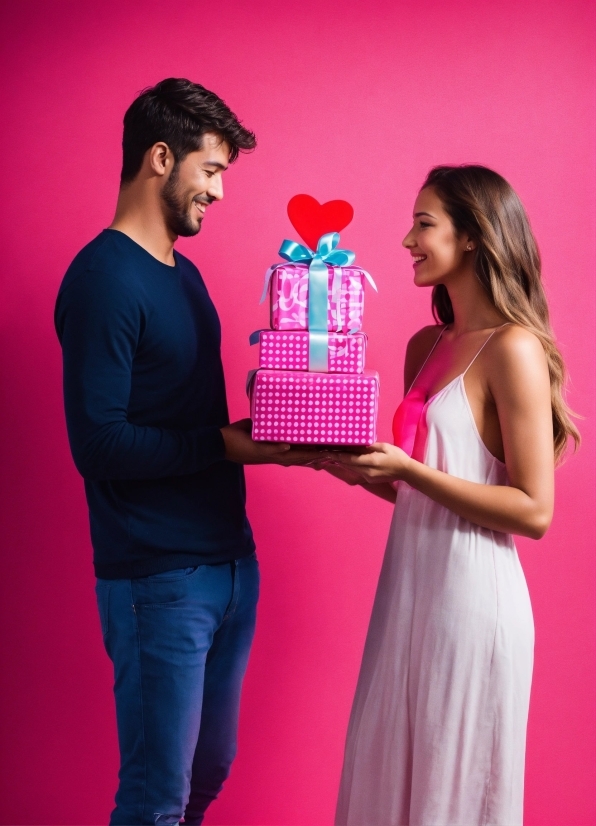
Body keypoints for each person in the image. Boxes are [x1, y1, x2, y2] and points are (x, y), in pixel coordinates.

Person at [54, 78, 315, 826]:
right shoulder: (104, 280)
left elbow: (187, 411)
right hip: (158, 579)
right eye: (212, 170)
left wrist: (288, 409)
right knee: (155, 797)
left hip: (230, 564)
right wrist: (230, 444)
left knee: (208, 775)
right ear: (160, 158)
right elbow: (97, 444)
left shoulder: (184, 273)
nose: (221, 192)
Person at [318, 165, 580, 826]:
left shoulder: (512, 349)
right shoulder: (425, 346)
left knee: (453, 794)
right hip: (406, 596)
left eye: (423, 223)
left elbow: (533, 510)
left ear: (472, 236)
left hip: (471, 606)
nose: (407, 239)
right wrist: (355, 469)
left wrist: (408, 471)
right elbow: (426, 485)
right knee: (387, 780)